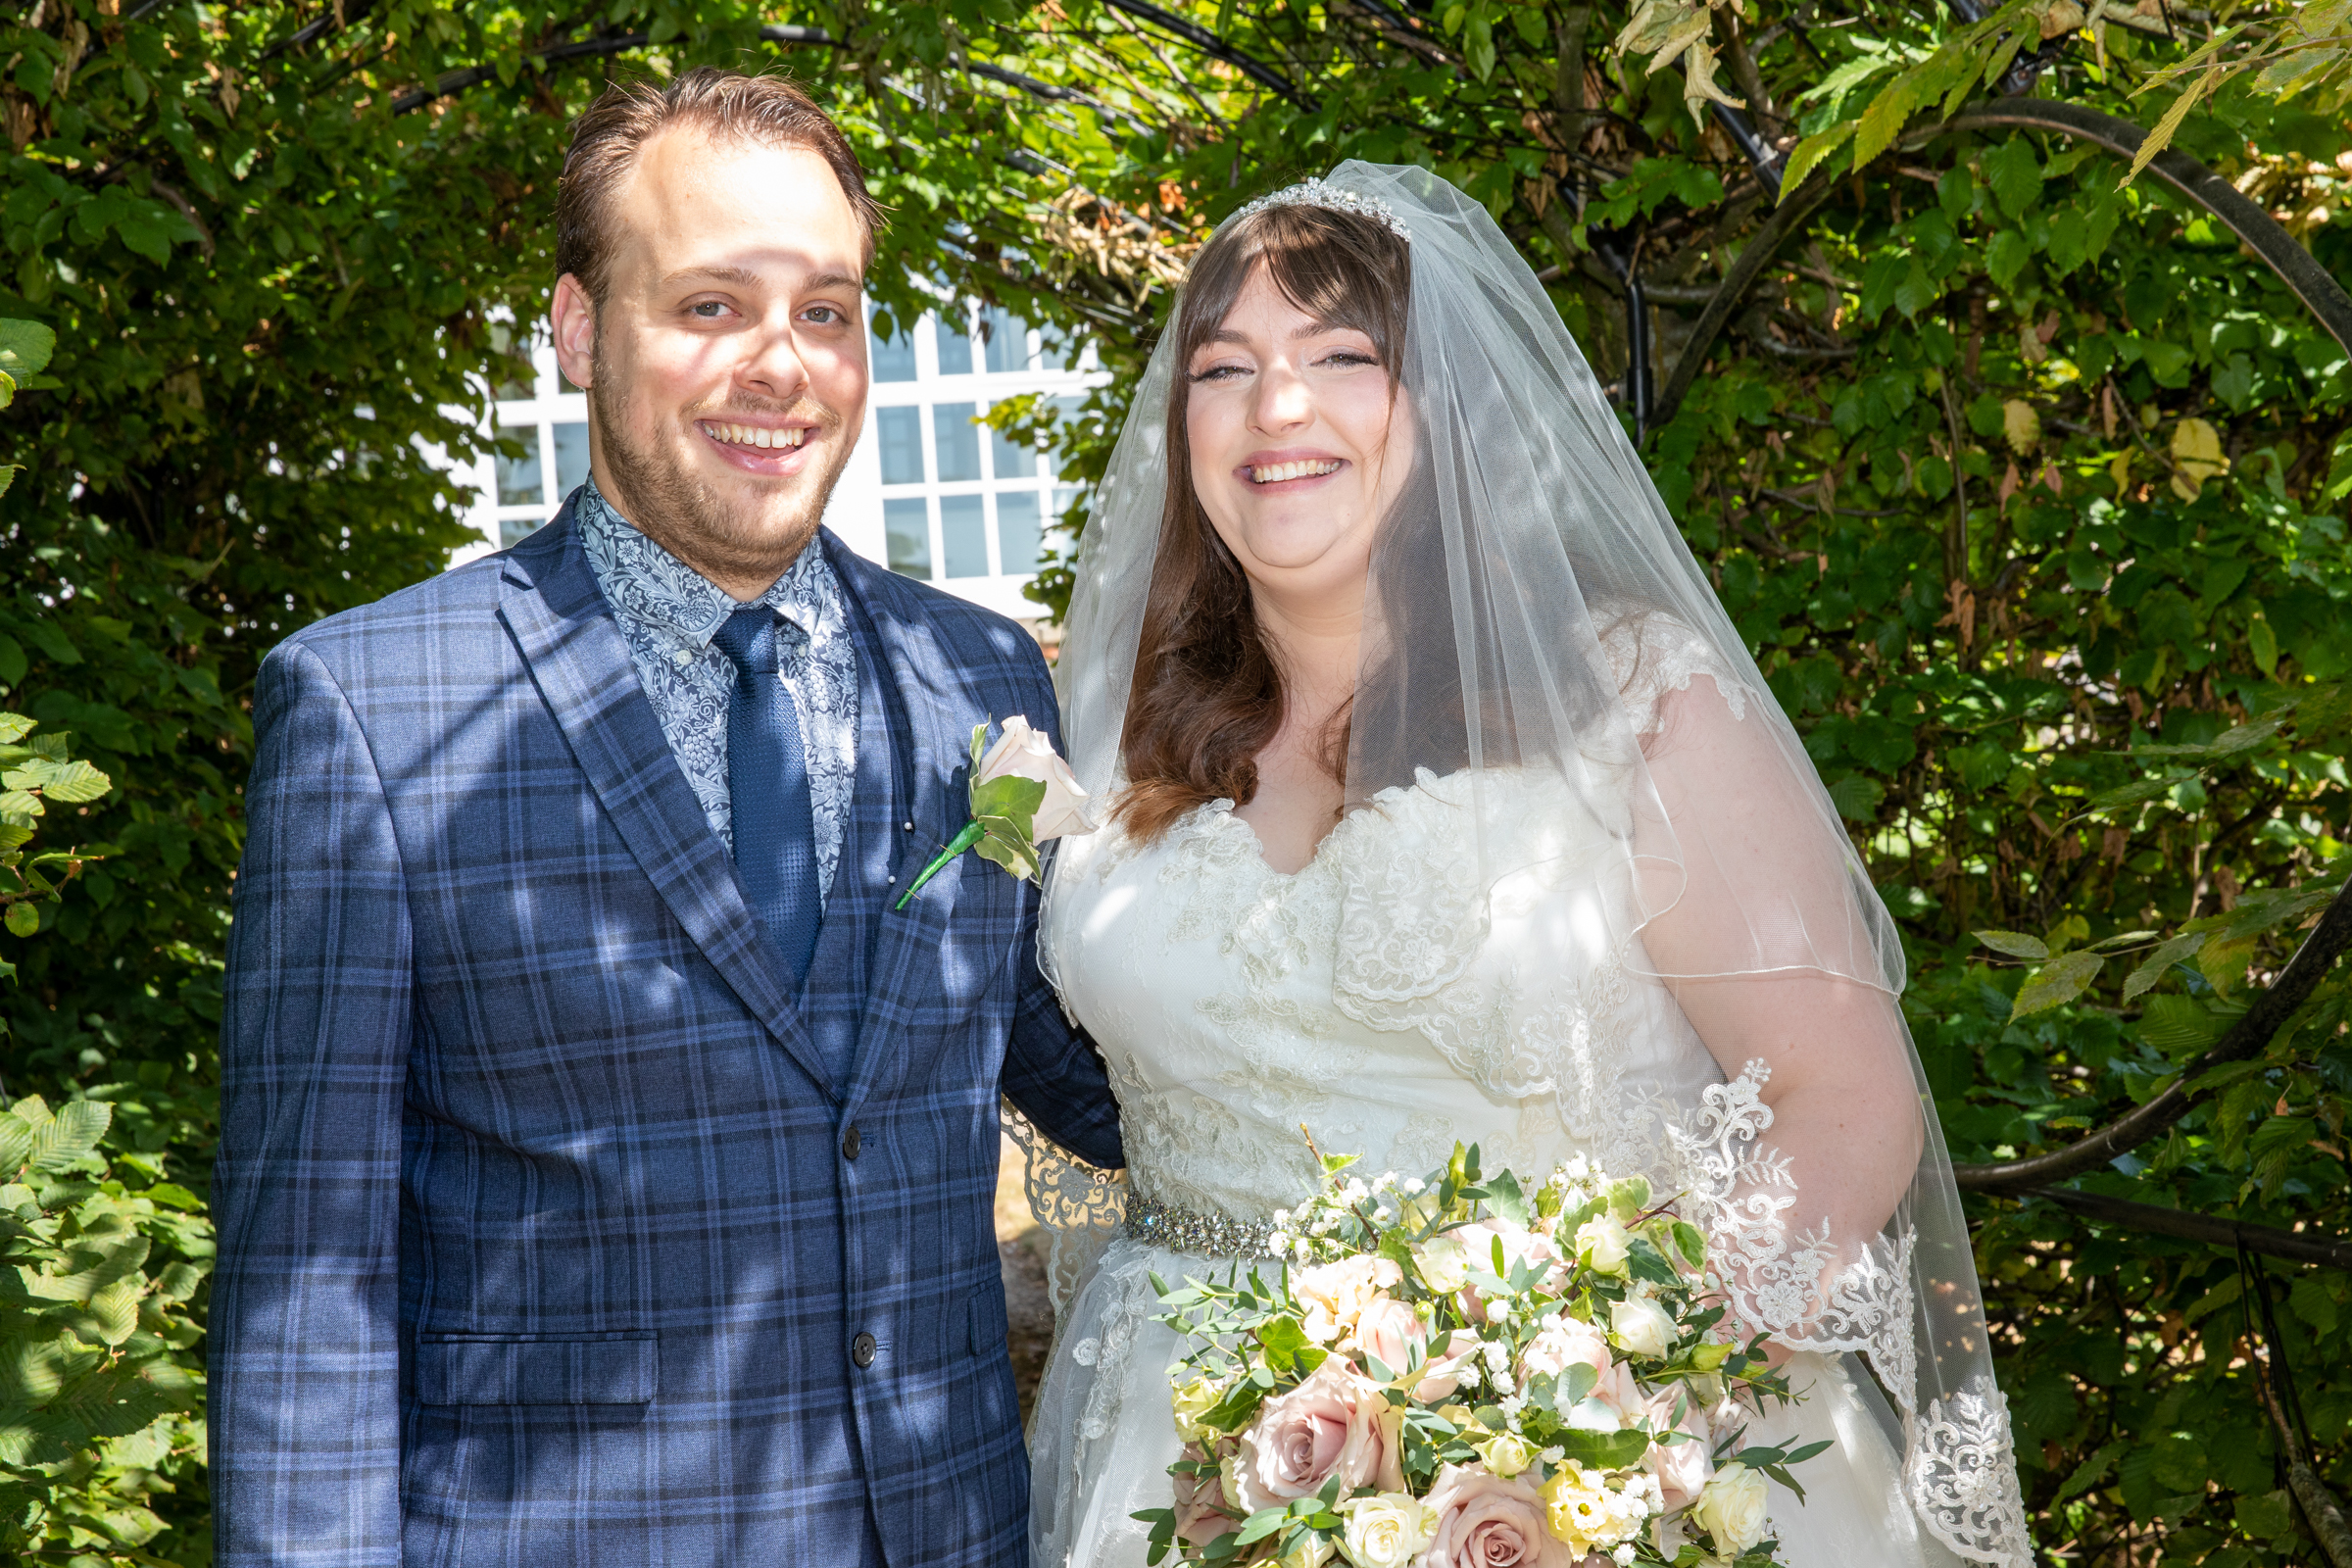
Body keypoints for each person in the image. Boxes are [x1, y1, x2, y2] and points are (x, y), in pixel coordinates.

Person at [1024, 165, 2032, 1567]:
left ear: (1445, 409)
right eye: (1224, 369)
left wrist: (1603, 1419)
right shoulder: (1120, 733)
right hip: (1182, 1464)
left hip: (1590, 1476)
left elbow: (1846, 1098)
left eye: (1342, 357)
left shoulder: (1629, 702)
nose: (1278, 406)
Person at [210, 68, 1120, 1568]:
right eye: (711, 306)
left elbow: (1088, 1070)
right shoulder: (372, 708)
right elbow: (309, 1291)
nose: (782, 365)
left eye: (825, 312)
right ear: (579, 328)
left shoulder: (979, 674)